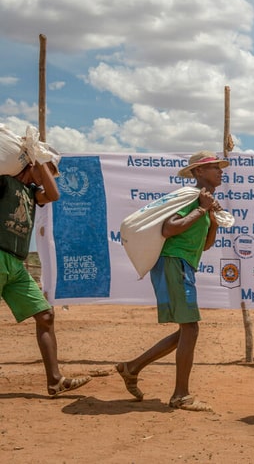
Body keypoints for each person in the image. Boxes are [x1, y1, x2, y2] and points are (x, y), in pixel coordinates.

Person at [116, 151, 228, 412]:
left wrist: (212, 219)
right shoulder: (190, 196)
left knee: (186, 330)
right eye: (214, 167)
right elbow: (169, 228)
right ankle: (181, 395)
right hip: (173, 262)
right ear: (198, 172)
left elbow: (207, 245)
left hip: (182, 264)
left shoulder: (203, 200)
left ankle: (132, 368)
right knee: (190, 329)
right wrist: (201, 208)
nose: (220, 171)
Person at [0, 159, 92, 397]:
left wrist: (42, 164)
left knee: (45, 315)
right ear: (28, 165)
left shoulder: (32, 193)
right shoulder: (5, 183)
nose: (47, 176)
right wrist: (38, 162)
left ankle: (55, 381)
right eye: (46, 171)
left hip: (16, 264)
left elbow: (54, 195)